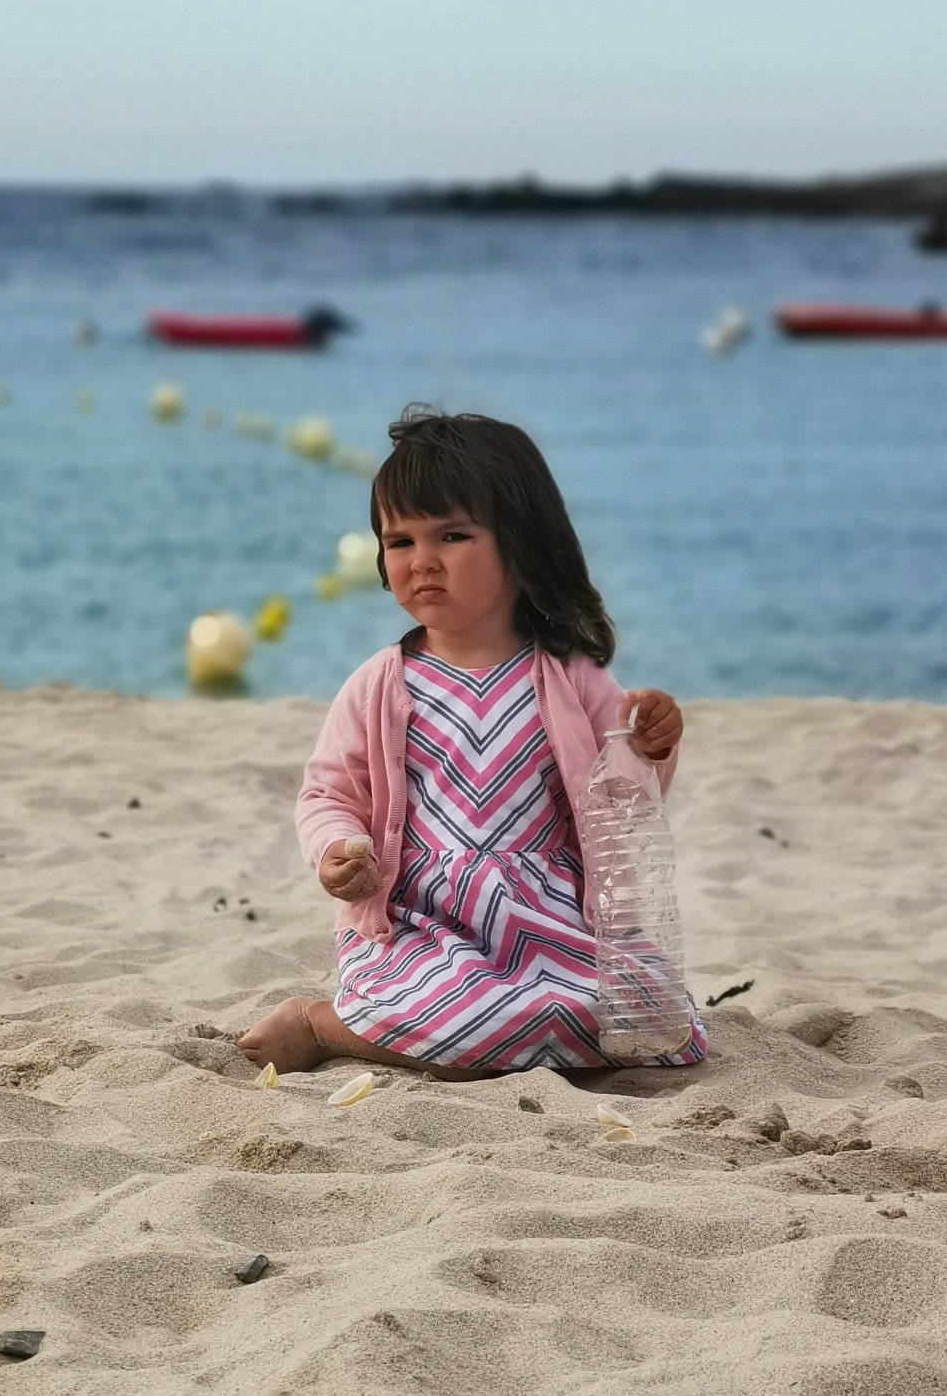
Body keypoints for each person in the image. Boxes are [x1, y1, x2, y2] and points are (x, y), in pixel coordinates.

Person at [238, 407, 707, 1082]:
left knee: (652, 1028)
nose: (421, 561)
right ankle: (320, 1025)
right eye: (399, 542)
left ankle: (491, 1027)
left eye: (452, 536)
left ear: (520, 544)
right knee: (466, 1024)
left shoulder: (571, 677)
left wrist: (653, 746)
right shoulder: (379, 684)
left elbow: (623, 801)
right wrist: (338, 850)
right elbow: (327, 794)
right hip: (426, 923)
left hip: (551, 918)